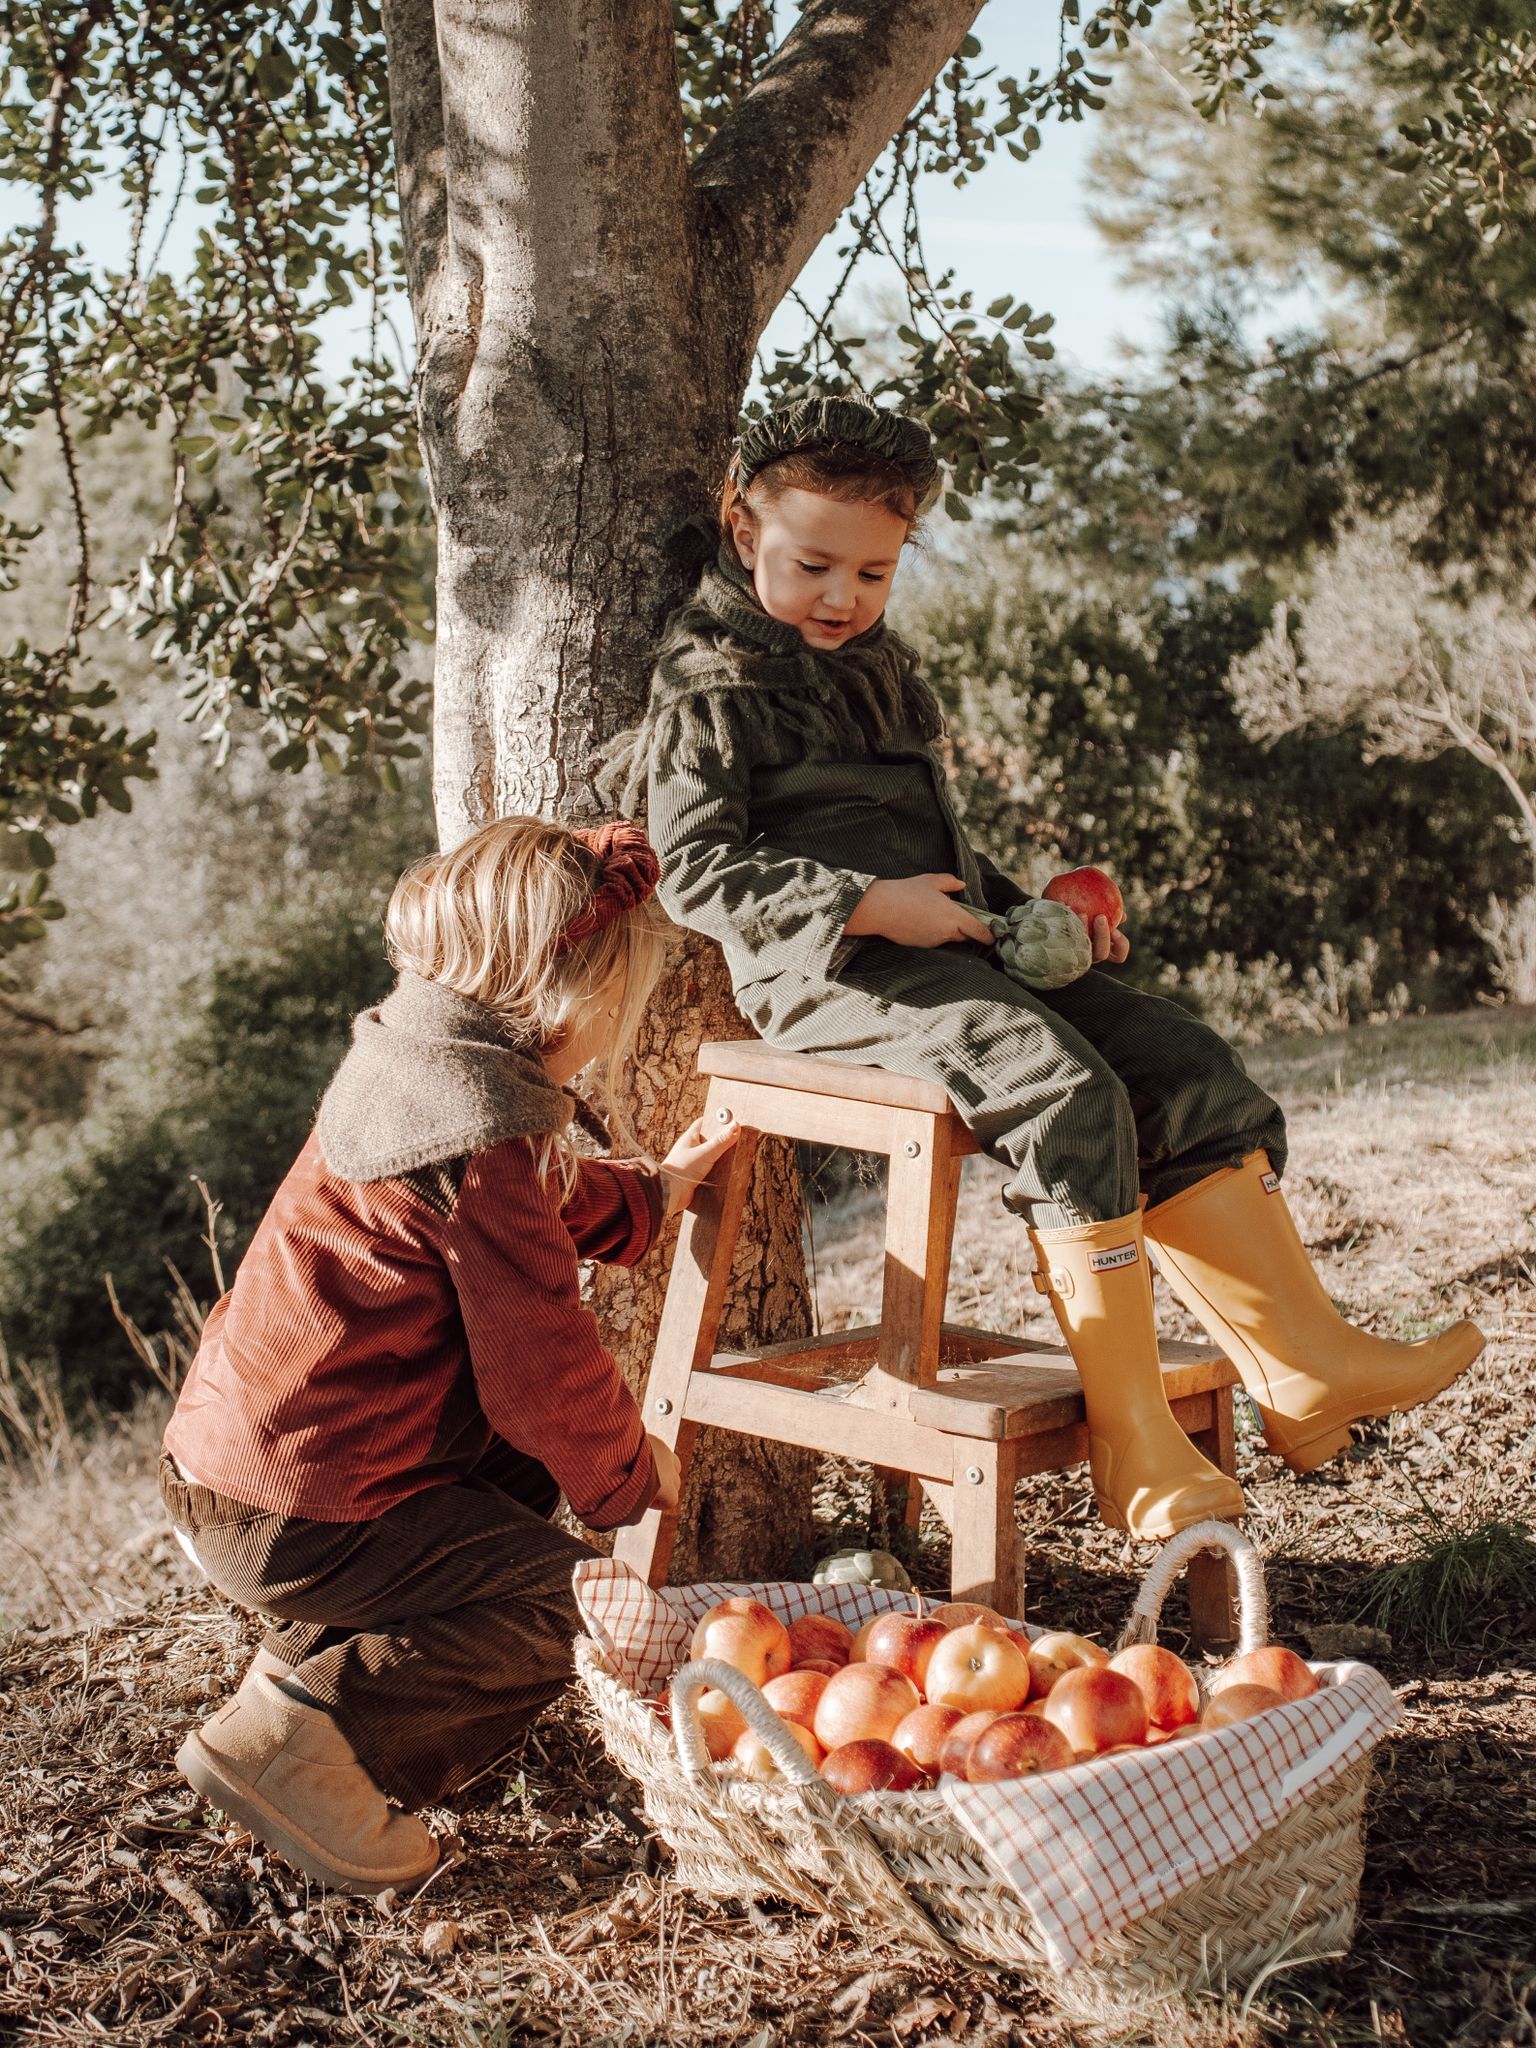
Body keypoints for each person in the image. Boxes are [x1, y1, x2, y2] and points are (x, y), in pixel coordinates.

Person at [608, 393, 1483, 1542]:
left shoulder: (874, 665)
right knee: (1055, 1083)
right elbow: (700, 873)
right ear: (740, 526)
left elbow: (930, 850)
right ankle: (1132, 1436)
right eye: (816, 565)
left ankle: (1303, 1361)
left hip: (947, 945)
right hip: (829, 973)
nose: (843, 599)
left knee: (1178, 1058)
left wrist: (1029, 915)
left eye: (875, 574)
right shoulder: (711, 686)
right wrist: (871, 904)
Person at [159, 816, 738, 1894]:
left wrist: (651, 1193)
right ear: (568, 992)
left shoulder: (412, 1058)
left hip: (243, 1472)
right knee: (571, 1606)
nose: (626, 1016)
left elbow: (527, 1204)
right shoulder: (474, 1128)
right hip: (299, 1510)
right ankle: (308, 1745)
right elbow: (539, 1367)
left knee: (513, 1486)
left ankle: (293, 1682)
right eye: (624, 992)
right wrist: (625, 1475)